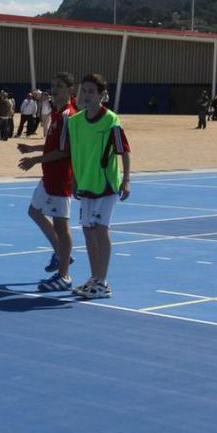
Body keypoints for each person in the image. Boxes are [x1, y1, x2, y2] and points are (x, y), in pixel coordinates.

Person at [60, 73, 131, 300]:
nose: (87, 95)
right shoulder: (75, 121)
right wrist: (75, 180)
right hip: (86, 184)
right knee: (88, 229)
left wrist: (126, 179)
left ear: (101, 95)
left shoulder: (111, 120)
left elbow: (124, 151)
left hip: (107, 183)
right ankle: (95, 277)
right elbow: (74, 153)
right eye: (85, 91)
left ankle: (102, 281)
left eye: (92, 92)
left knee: (101, 229)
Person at [17, 72, 79, 292]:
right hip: (49, 176)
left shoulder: (68, 115)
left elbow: (64, 151)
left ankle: (64, 275)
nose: (55, 89)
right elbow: (54, 144)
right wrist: (32, 148)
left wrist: (35, 159)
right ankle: (60, 253)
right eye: (53, 85)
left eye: (60, 86)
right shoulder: (56, 112)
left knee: (62, 226)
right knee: (34, 211)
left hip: (61, 177)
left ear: (71, 90)